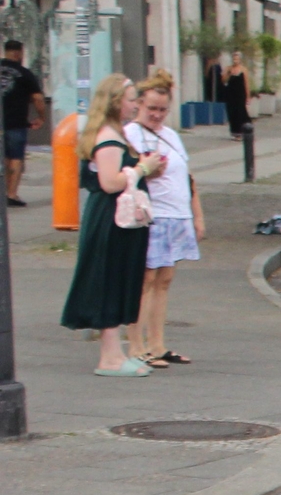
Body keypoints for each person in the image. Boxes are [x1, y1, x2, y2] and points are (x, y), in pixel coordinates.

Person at [60, 75, 161, 376]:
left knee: (115, 279)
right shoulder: (108, 138)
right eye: (132, 99)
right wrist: (142, 168)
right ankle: (109, 357)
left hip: (114, 217)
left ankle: (114, 354)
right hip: (111, 218)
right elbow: (108, 182)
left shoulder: (112, 134)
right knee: (108, 279)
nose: (135, 105)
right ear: (116, 102)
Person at [124, 73, 203, 369]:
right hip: (151, 215)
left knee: (164, 280)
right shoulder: (130, 134)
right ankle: (136, 344)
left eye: (162, 110)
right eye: (151, 109)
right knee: (144, 280)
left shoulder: (171, 135)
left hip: (177, 213)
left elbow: (188, 176)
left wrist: (197, 214)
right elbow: (128, 173)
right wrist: (146, 169)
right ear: (139, 105)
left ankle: (157, 344)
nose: (156, 115)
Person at [0, 39, 44, 206]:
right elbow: (38, 98)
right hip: (16, 122)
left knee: (2, 157)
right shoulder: (24, 73)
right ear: (19, 53)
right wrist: (41, 117)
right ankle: (11, 194)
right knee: (16, 157)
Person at [222, 54, 252, 137]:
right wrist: (228, 73)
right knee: (232, 112)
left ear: (240, 60)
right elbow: (224, 80)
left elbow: (246, 84)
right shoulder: (228, 68)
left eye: (237, 59)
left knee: (241, 112)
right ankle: (234, 131)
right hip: (231, 94)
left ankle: (243, 130)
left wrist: (248, 96)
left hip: (240, 94)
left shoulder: (243, 70)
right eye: (234, 59)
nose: (235, 60)